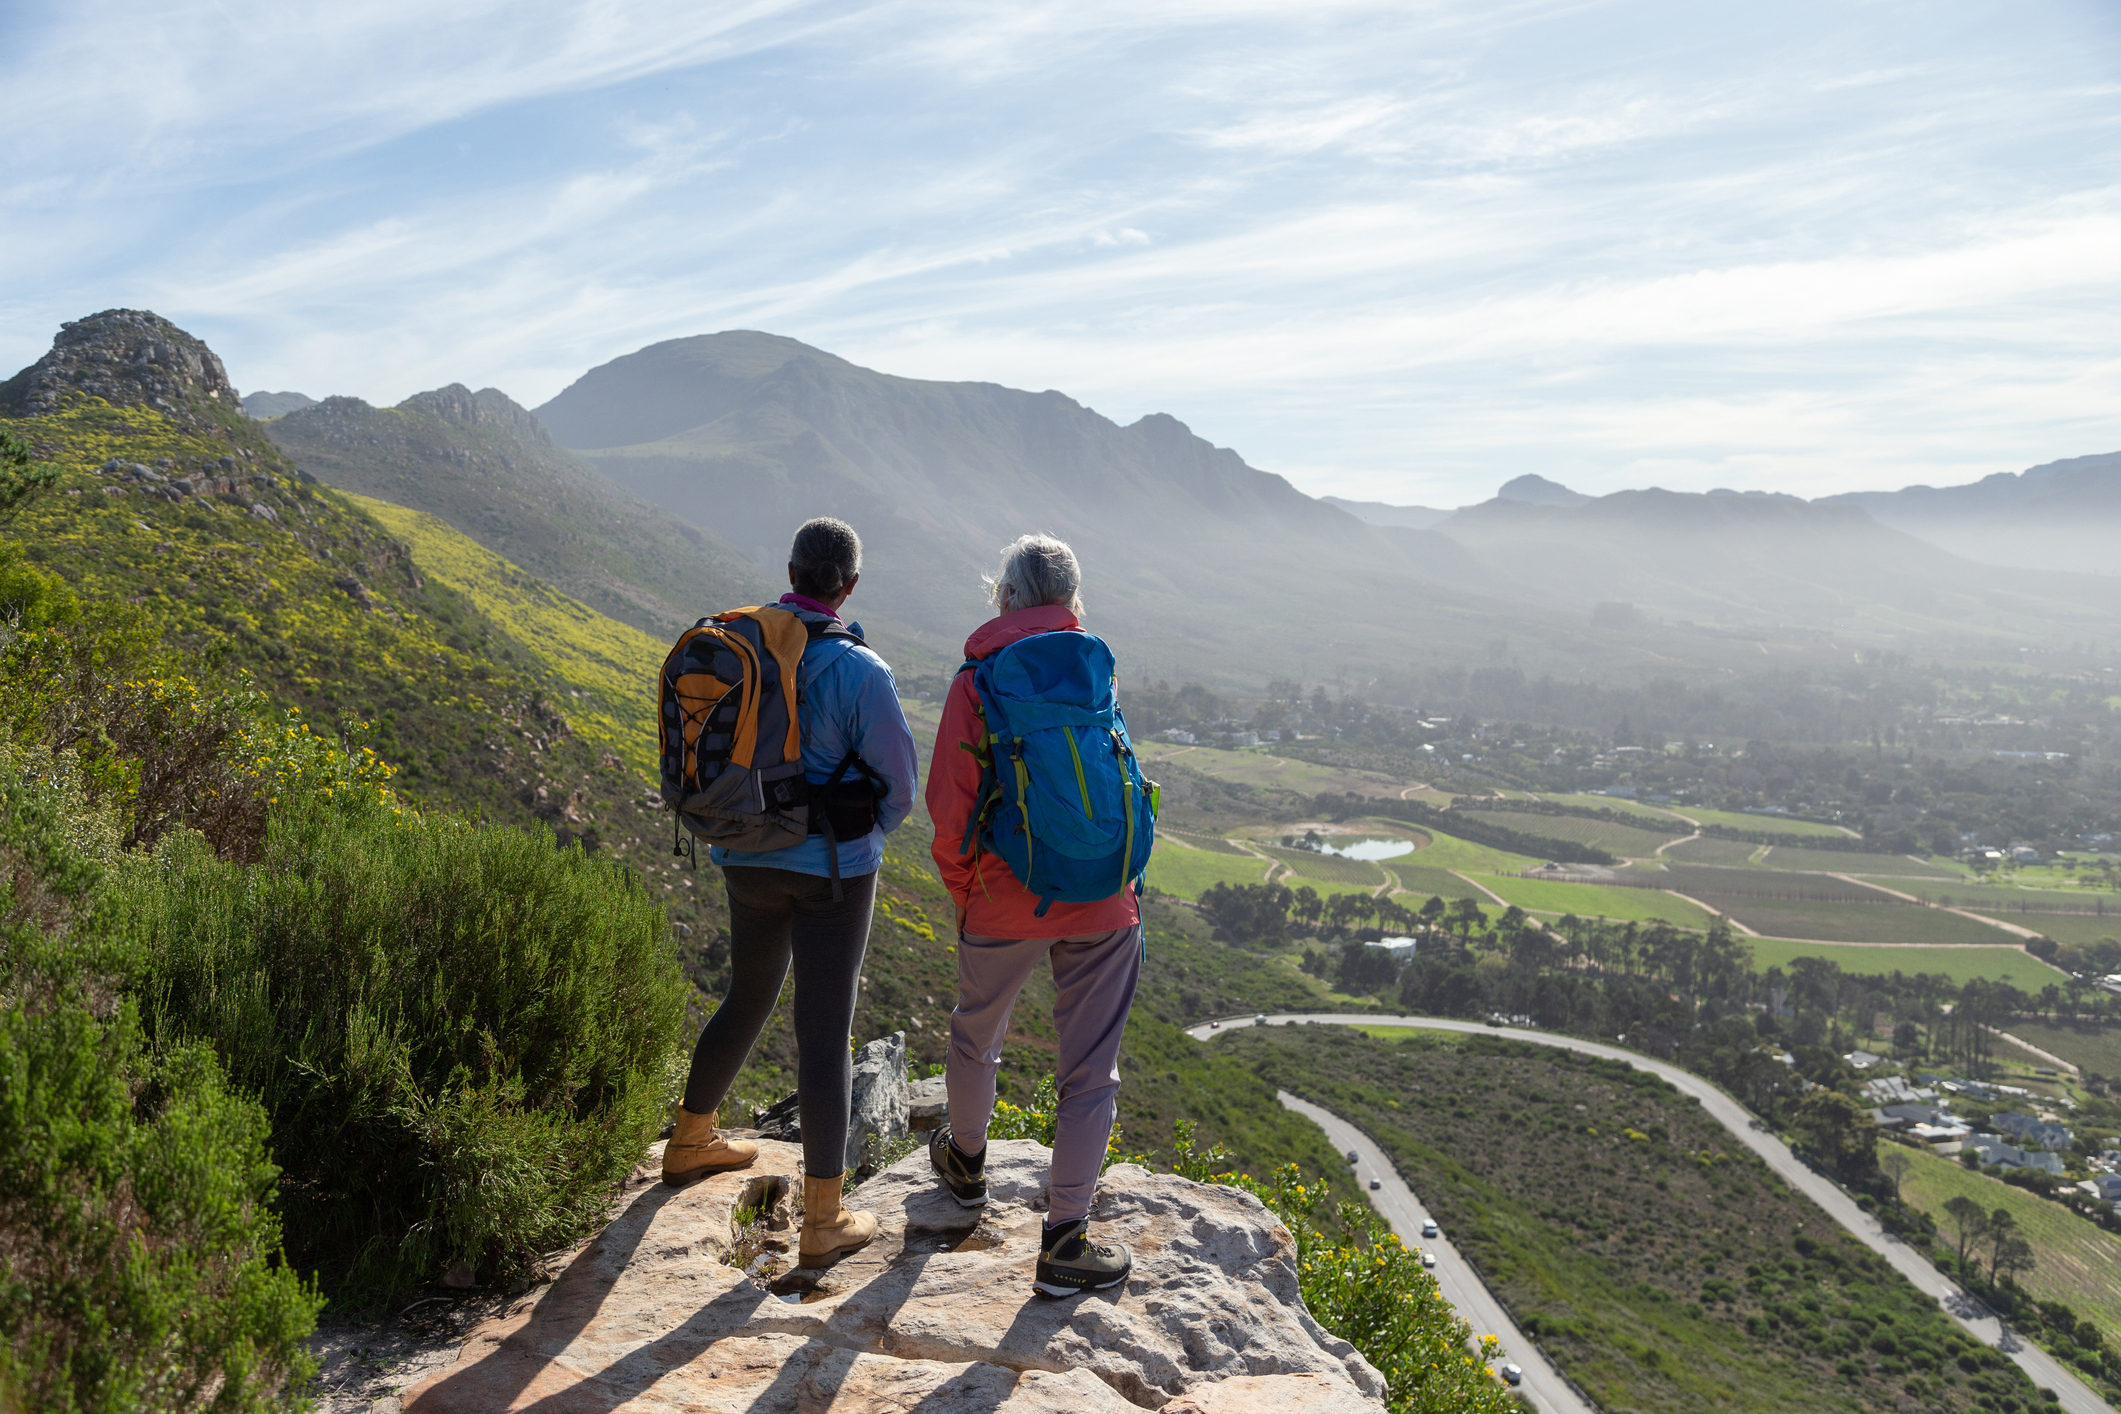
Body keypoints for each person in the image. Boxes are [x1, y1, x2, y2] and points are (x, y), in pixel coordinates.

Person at [661, 517, 919, 1270]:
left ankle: (689, 1139)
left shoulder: (742, 645)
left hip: (741, 853)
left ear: (790, 571)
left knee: (747, 993)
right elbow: (898, 787)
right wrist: (866, 834)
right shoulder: (859, 669)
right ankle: (824, 1218)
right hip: (832, 869)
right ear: (850, 585)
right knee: (824, 1028)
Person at [924, 533, 1142, 1297]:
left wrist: (968, 890)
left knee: (976, 1034)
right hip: (1105, 897)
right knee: (1090, 1073)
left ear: (1005, 597)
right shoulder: (1093, 668)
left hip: (1004, 894)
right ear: (1073, 601)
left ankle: (967, 1170)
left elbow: (949, 811)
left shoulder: (978, 679)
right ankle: (1065, 1243)